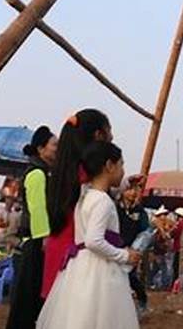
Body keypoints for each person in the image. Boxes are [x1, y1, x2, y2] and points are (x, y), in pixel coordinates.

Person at [36, 141, 140, 329]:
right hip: (99, 268)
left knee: (80, 316)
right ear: (109, 165)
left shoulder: (85, 197)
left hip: (81, 267)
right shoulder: (102, 201)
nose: (123, 170)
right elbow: (94, 240)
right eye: (121, 164)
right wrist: (124, 255)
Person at [43, 109, 112, 300]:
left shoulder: (62, 171)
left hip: (58, 249)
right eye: (110, 131)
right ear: (99, 135)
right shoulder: (87, 177)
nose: (112, 137)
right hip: (75, 258)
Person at [7, 126, 57, 329]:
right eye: (54, 145)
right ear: (41, 148)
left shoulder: (45, 171)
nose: (57, 149)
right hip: (34, 245)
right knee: (26, 301)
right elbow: (37, 209)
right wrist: (44, 238)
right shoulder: (37, 173)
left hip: (38, 242)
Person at [116, 183, 149, 316]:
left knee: (129, 276)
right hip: (115, 247)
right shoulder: (115, 207)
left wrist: (137, 247)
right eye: (129, 189)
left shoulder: (139, 211)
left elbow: (145, 231)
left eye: (135, 190)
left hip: (132, 249)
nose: (133, 193)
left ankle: (142, 300)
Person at [171, 207, 183, 285]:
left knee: (176, 267)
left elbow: (173, 233)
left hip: (178, 247)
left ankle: (176, 284)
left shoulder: (180, 223)